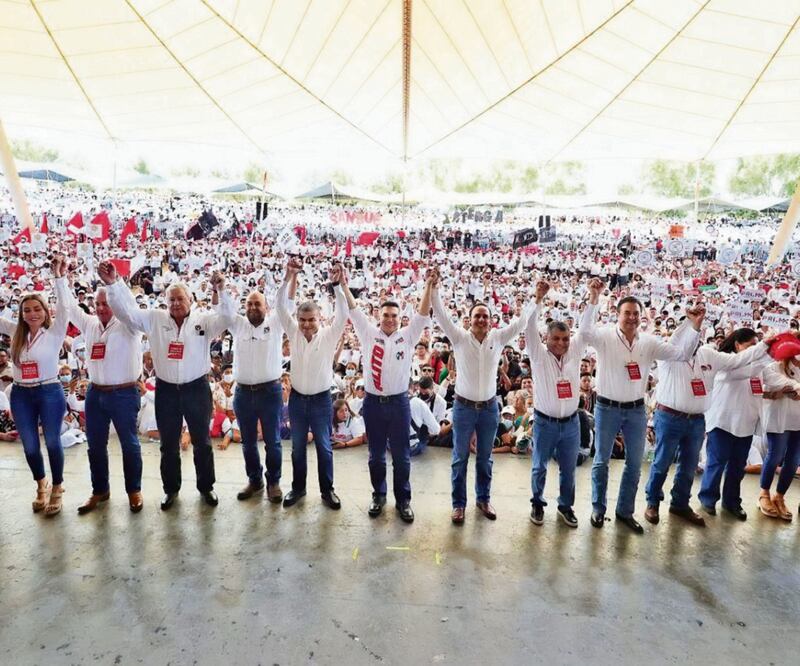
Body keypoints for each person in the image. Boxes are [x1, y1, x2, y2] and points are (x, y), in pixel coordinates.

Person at [101, 261, 234, 510]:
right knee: (169, 444)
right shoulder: (154, 319)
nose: (175, 303)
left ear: (191, 299)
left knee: (202, 442)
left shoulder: (203, 321)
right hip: (167, 392)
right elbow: (126, 313)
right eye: (171, 299)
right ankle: (171, 490)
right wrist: (114, 284)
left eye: (180, 298)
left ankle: (206, 487)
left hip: (196, 389)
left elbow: (226, 317)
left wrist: (221, 289)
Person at [579, 289, 704, 533]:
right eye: (627, 313)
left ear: (641, 316)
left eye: (636, 313)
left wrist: (693, 325)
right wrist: (593, 299)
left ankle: (625, 512)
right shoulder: (604, 336)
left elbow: (682, 353)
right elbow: (584, 333)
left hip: (636, 411)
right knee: (601, 461)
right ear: (617, 315)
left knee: (634, 464)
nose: (632, 318)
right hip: (607, 407)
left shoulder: (648, 341)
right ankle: (598, 509)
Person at [431, 268, 535, 524]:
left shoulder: (498, 338)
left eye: (485, 317)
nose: (480, 320)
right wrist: (433, 287)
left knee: (485, 459)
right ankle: (458, 505)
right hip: (464, 408)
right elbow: (441, 316)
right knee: (459, 459)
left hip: (489, 409)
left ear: (491, 321)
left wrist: (537, 298)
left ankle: (483, 499)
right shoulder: (458, 338)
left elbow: (521, 323)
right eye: (476, 316)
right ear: (469, 319)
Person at [644, 326, 771, 527]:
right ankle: (652, 502)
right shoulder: (668, 355)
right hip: (670, 418)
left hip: (696, 420)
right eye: (689, 334)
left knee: (688, 467)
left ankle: (680, 504)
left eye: (696, 334)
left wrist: (766, 346)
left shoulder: (709, 355)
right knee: (661, 463)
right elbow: (678, 336)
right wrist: (691, 323)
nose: (693, 340)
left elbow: (738, 360)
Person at [340, 266, 434, 523]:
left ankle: (403, 500)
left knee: (402, 458)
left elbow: (424, 312)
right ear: (378, 316)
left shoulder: (408, 336)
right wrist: (345, 285)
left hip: (399, 404)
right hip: (373, 404)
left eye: (394, 315)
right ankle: (379, 495)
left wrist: (427, 286)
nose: (390, 319)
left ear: (400, 317)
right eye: (386, 315)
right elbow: (353, 310)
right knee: (376, 456)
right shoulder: (368, 333)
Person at [54, 256, 145, 514]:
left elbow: (126, 305)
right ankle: (100, 490)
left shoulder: (129, 324)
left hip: (125, 393)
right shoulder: (90, 324)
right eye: (98, 304)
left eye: (106, 303)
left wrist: (113, 283)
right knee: (95, 446)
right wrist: (60, 280)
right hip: (95, 393)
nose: (102, 308)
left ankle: (134, 490)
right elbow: (71, 308)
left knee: (129, 444)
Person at [526, 278, 598, 529]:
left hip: (570, 424)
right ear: (546, 339)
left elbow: (586, 330)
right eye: (556, 338)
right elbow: (528, 327)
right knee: (539, 468)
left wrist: (593, 298)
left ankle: (565, 507)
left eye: (565, 339)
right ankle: (537, 502)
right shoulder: (537, 355)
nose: (561, 343)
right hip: (544, 422)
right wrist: (537, 298)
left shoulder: (575, 353)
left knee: (569, 470)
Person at [276, 258, 348, 510]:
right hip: (296, 400)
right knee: (297, 448)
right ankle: (298, 488)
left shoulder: (329, 336)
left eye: (311, 320)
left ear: (320, 319)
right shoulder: (293, 332)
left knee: (324, 448)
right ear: (298, 319)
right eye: (303, 320)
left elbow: (344, 314)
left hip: (320, 401)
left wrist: (337, 285)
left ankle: (327, 491)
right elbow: (279, 307)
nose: (306, 324)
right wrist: (287, 277)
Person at [0, 258, 69, 516]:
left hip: (49, 392)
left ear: (45, 311)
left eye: (37, 309)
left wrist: (59, 279)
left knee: (52, 442)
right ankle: (42, 483)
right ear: (21, 313)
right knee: (29, 445)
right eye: (27, 310)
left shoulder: (55, 332)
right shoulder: (14, 332)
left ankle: (58, 487)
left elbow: (65, 308)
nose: (32, 314)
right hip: (20, 394)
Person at [698, 328, 772, 519]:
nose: (754, 350)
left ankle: (732, 502)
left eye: (756, 346)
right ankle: (708, 499)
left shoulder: (758, 367)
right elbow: (748, 371)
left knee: (738, 467)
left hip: (746, 424)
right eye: (750, 346)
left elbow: (765, 383)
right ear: (738, 345)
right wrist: (767, 352)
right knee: (716, 463)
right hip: (723, 422)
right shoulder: (725, 361)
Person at [227, 285, 291, 502]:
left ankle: (273, 482)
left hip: (270, 392)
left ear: (267, 307)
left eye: (258, 304)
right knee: (248, 442)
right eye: (249, 304)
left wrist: (290, 277)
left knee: (273, 442)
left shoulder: (275, 323)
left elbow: (287, 303)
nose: (253, 307)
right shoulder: (238, 325)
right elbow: (223, 309)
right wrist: (219, 287)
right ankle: (255, 480)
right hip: (243, 394)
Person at [758, 356, 800, 521]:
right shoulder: (774, 367)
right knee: (775, 455)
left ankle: (779, 496)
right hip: (779, 420)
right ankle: (764, 493)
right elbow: (773, 382)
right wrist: (788, 389)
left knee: (793, 461)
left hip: (798, 421)